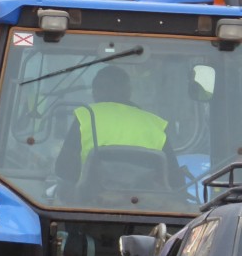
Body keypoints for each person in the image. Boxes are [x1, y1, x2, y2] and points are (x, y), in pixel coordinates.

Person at [54, 65, 183, 190]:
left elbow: (64, 171)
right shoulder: (153, 124)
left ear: (94, 93)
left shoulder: (86, 117)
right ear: (129, 92)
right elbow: (175, 181)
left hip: (92, 204)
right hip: (143, 206)